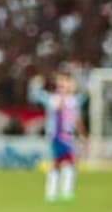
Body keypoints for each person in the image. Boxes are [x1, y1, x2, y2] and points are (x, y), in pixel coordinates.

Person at [29, 68, 85, 202]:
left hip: (68, 136)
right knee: (61, 163)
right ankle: (56, 192)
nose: (65, 85)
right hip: (57, 136)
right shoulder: (54, 99)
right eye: (63, 82)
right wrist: (36, 84)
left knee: (64, 163)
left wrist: (82, 133)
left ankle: (59, 192)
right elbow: (37, 96)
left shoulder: (73, 100)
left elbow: (76, 118)